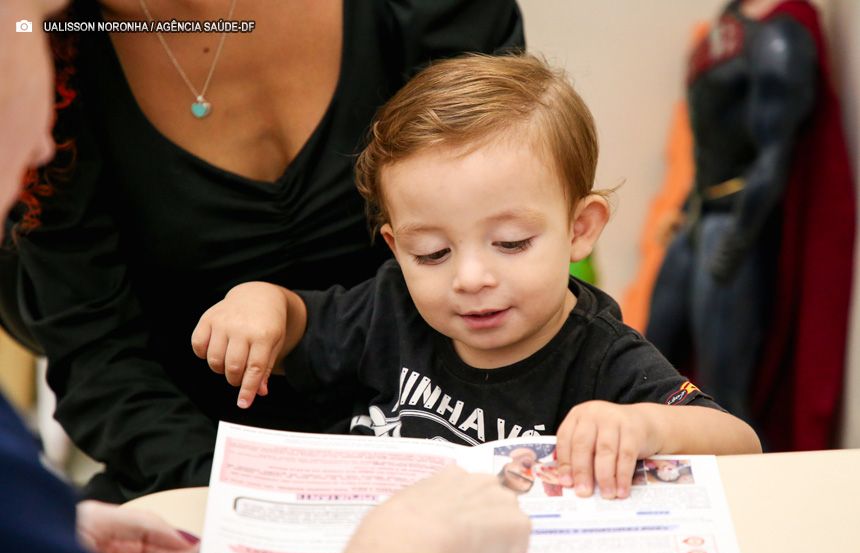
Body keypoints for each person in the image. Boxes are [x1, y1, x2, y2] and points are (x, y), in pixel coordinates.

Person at [1, 4, 532, 553]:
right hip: (195, 481)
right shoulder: (52, 42)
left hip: (445, 447)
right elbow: (97, 355)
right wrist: (257, 510)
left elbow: (507, 227)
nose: (38, 148)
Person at [193, 53, 763, 502]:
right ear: (395, 246)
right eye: (432, 253)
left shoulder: (600, 357)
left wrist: (641, 426)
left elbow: (743, 445)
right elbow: (298, 324)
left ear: (580, 229)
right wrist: (259, 301)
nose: (469, 278)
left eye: (511, 243)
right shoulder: (392, 306)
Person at [645, 0, 855, 450]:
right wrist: (686, 208)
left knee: (723, 382)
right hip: (701, 214)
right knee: (650, 351)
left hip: (734, 221)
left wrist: (738, 239)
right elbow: (713, 141)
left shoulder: (780, 37)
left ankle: (741, 493)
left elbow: (773, 157)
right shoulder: (731, 24)